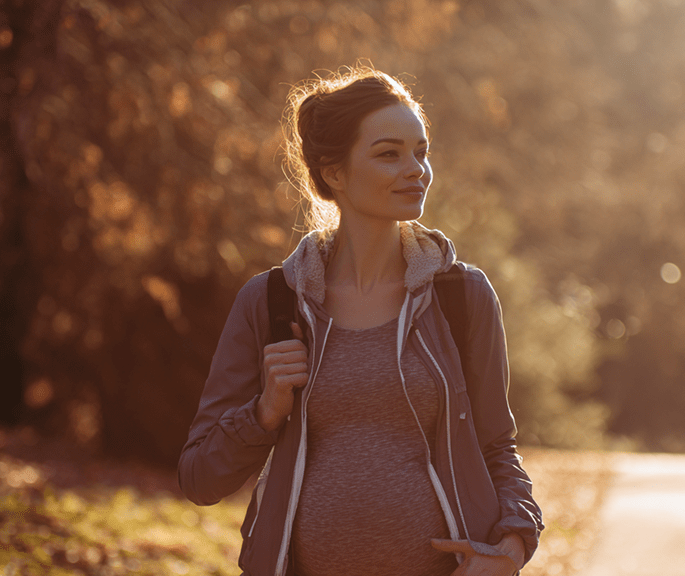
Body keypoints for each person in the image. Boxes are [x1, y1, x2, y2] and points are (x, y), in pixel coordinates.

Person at [177, 67, 542, 576]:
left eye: (421, 152)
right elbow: (199, 478)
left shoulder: (461, 297)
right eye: (389, 154)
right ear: (334, 173)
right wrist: (264, 413)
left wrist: (513, 546)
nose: (416, 170)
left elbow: (498, 447)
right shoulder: (273, 302)